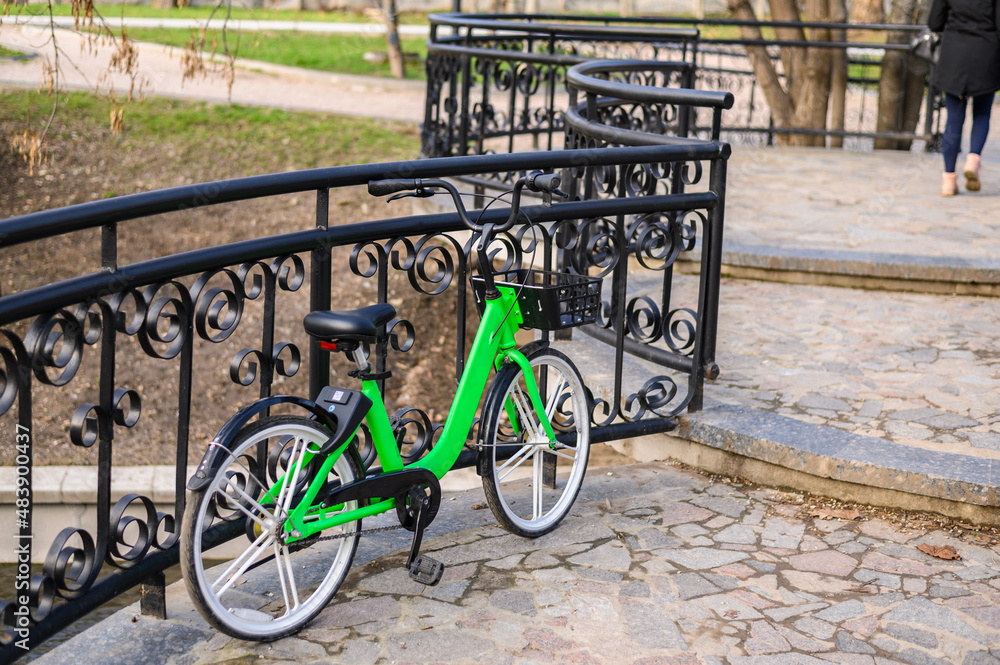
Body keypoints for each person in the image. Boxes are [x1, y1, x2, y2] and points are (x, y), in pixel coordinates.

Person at [928, 0, 1000, 195]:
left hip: (955, 56)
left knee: (954, 118)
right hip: (985, 54)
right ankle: (973, 159)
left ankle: (948, 180)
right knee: (982, 114)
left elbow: (934, 22)